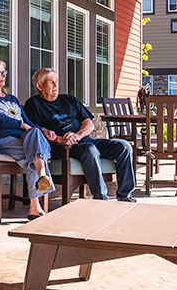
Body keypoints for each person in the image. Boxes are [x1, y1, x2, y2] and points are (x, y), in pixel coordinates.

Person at [24, 68, 136, 202]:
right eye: (50, 82)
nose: (55, 85)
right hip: (62, 148)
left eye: (56, 81)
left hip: (83, 140)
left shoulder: (69, 99)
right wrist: (61, 139)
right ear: (39, 86)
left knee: (124, 146)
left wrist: (77, 136)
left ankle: (125, 196)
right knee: (90, 149)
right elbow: (36, 131)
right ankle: (101, 198)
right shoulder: (34, 104)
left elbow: (89, 123)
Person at [0, 57, 54, 219]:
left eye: (5, 72)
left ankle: (36, 200)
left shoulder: (12, 98)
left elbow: (28, 123)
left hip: (22, 140)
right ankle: (40, 182)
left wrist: (43, 130)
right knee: (33, 152)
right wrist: (20, 125)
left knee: (34, 141)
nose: (4, 76)